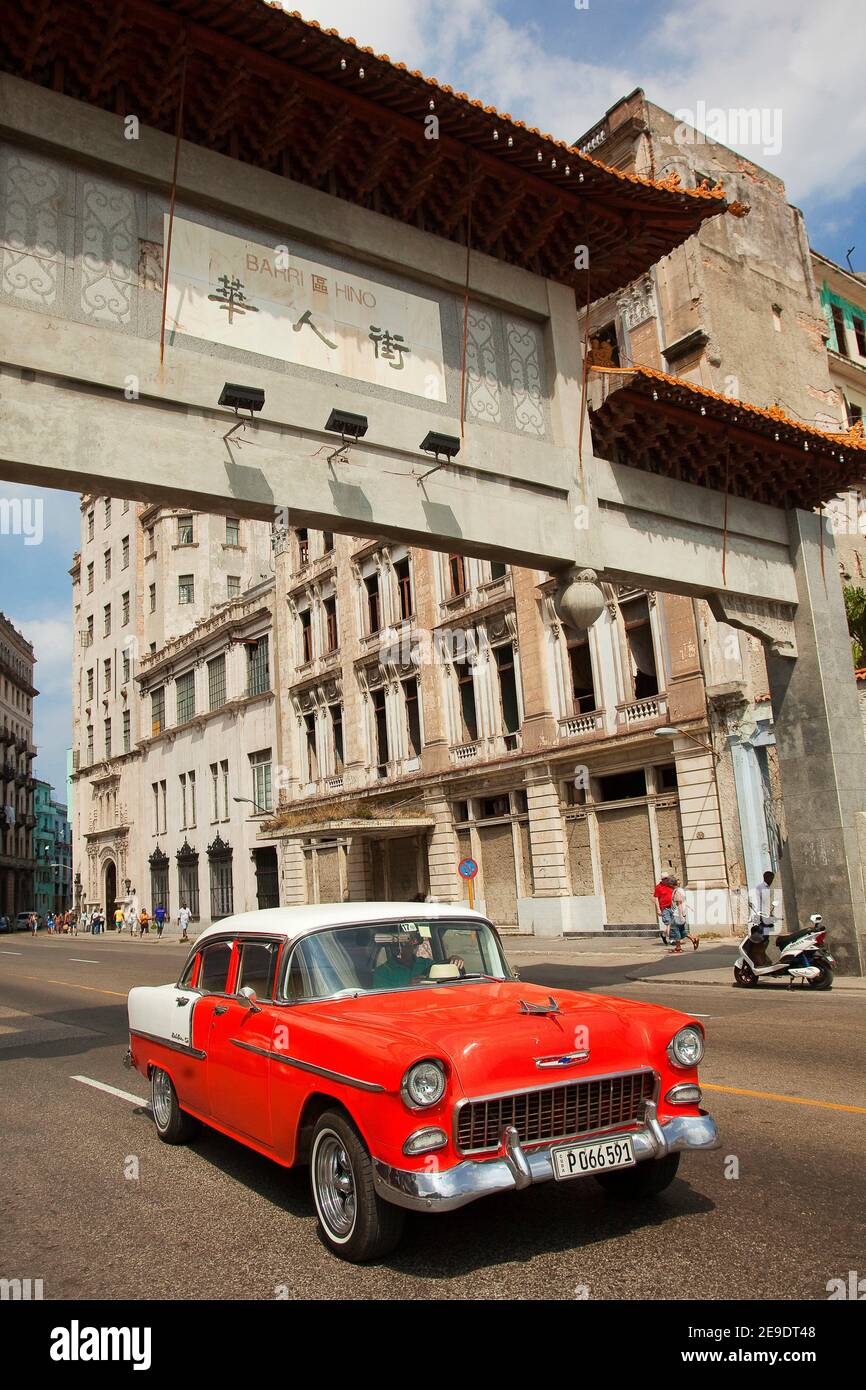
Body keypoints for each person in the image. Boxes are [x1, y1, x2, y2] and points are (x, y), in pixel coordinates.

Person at [373, 930, 463, 989]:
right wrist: (409, 986)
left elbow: (442, 970)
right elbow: (383, 1002)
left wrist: (453, 959)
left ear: (414, 947)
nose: (399, 950)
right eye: (396, 946)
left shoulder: (426, 963)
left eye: (404, 946)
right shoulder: (382, 972)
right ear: (392, 947)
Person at [748, 870, 777, 967]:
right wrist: (759, 915)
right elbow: (758, 902)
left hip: (770, 915)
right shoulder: (760, 888)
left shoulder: (771, 887)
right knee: (761, 937)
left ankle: (765, 957)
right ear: (766, 878)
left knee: (767, 937)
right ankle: (760, 958)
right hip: (762, 916)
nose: (772, 880)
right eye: (770, 878)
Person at [668, 877, 699, 954]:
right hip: (681, 914)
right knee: (682, 931)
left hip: (677, 914)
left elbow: (679, 904)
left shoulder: (677, 892)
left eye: (668, 884)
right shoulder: (681, 890)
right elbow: (684, 902)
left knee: (675, 931)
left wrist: (680, 915)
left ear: (671, 884)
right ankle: (694, 939)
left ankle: (678, 948)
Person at [652, 874, 676, 945]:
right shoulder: (658, 887)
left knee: (672, 924)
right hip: (664, 908)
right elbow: (656, 899)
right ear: (662, 879)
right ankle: (672, 940)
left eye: (667, 878)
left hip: (672, 907)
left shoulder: (670, 885)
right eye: (665, 878)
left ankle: (663, 935)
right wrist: (658, 909)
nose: (667, 880)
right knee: (668, 924)